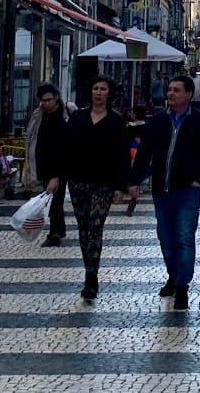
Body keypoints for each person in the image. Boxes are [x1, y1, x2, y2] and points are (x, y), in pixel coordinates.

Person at [128, 74, 200, 311]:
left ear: (189, 94)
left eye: (176, 90)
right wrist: (134, 180)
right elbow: (144, 152)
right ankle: (173, 276)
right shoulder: (157, 121)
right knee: (166, 240)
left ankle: (182, 287)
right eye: (169, 89)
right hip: (161, 190)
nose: (170, 94)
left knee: (184, 237)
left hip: (188, 191)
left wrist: (199, 180)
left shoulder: (199, 121)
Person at [56, 75, 129, 301]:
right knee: (83, 228)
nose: (98, 92)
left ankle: (91, 277)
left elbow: (122, 155)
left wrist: (120, 186)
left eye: (103, 89)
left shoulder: (116, 122)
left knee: (95, 226)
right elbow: (65, 148)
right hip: (78, 181)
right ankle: (89, 268)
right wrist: (58, 177)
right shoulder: (77, 117)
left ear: (109, 93)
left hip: (104, 183)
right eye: (95, 88)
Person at [27, 83, 73, 246]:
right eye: (42, 100)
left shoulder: (68, 110)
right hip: (45, 162)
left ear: (56, 98)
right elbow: (32, 137)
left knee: (56, 197)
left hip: (65, 161)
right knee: (53, 197)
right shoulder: (39, 114)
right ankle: (57, 231)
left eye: (48, 100)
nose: (45, 103)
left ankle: (56, 232)